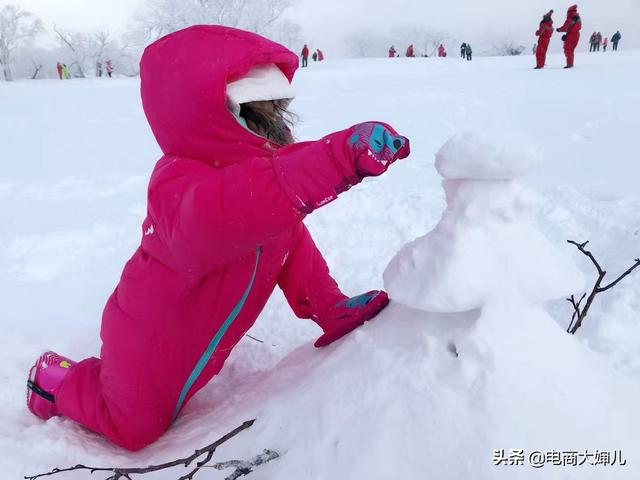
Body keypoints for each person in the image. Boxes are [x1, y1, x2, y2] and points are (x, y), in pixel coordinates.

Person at [25, 25, 410, 452]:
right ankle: (57, 380)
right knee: (132, 429)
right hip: (146, 339)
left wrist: (330, 307)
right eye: (260, 114)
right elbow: (224, 214)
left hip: (187, 344)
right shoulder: (178, 180)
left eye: (278, 113)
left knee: (163, 403)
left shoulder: (263, 183)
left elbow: (290, 245)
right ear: (209, 113)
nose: (277, 127)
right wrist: (332, 160)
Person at [557, 4, 581, 69]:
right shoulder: (578, 18)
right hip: (577, 35)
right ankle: (570, 63)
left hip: (571, 35)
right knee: (571, 50)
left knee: (568, 49)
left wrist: (559, 29)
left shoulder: (570, 17)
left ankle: (569, 64)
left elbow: (565, 27)